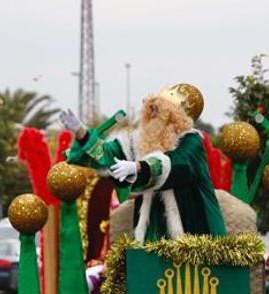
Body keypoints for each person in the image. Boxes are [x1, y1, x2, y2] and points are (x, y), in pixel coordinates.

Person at [63, 83, 226, 242]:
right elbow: (109, 155)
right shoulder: (141, 141)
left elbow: (180, 164)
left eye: (158, 109)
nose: (152, 113)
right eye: (151, 108)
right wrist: (82, 133)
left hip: (192, 229)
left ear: (176, 117)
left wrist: (139, 166)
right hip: (152, 232)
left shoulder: (191, 141)